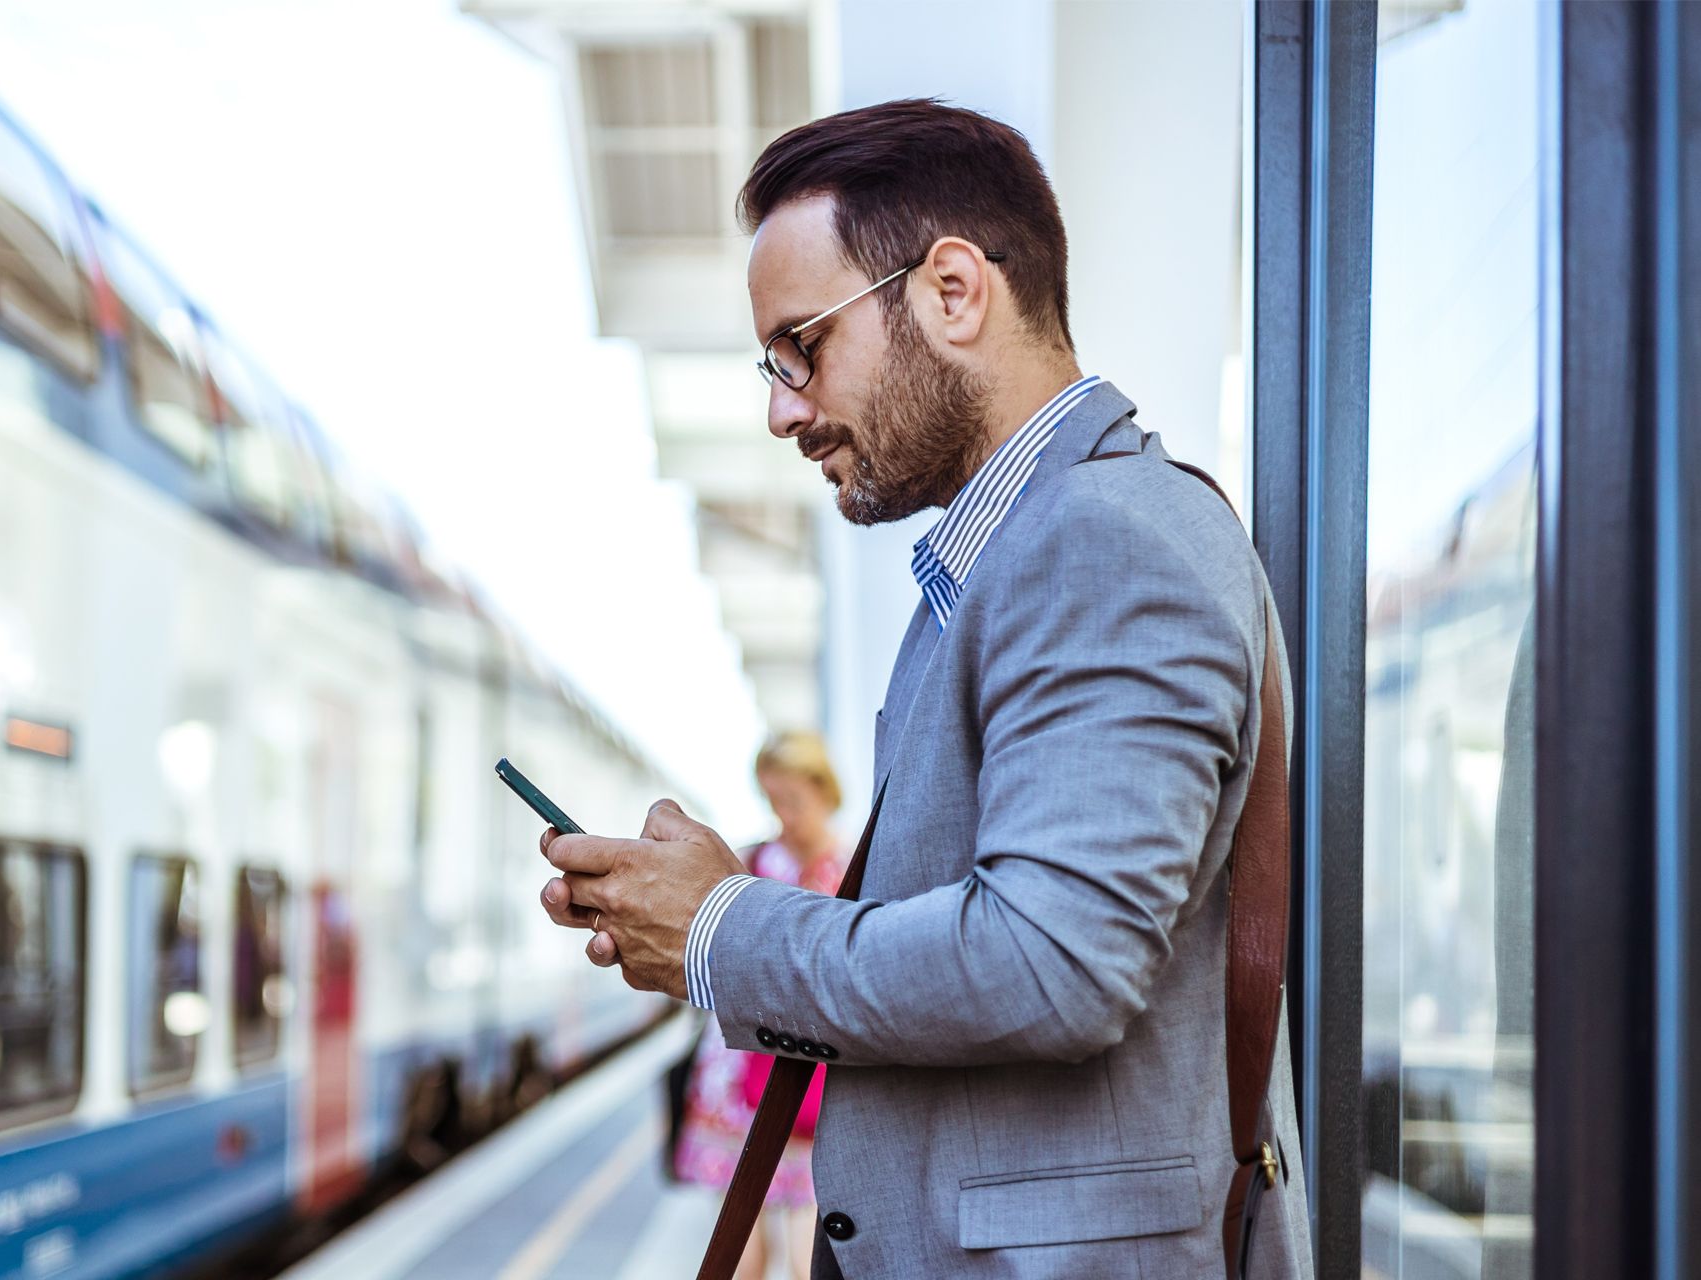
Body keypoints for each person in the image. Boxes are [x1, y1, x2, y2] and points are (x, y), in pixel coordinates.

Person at [537, 98, 1313, 1278]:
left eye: (803, 345)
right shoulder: (1026, 553)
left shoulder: (1102, 542)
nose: (781, 406)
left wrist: (718, 924)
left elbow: (1054, 962)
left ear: (954, 291)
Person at [672, 732, 844, 1280]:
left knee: (806, 1260)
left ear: (823, 793)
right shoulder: (748, 864)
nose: (781, 814)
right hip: (735, 1081)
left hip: (810, 1084)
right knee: (738, 1256)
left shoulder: (850, 871)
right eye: (772, 799)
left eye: (791, 799)